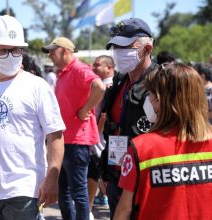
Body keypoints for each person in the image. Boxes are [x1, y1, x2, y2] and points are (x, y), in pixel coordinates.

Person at [0, 15, 65, 220]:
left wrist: (52, 177)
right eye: (3, 51)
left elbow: (55, 135)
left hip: (24, 189)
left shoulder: (37, 86)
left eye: (16, 50)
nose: (11, 55)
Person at [114, 63, 212, 219]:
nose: (148, 99)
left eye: (151, 94)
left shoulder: (141, 148)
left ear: (162, 101)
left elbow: (124, 210)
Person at [100, 18, 159, 219]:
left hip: (148, 183)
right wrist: (105, 172)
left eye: (125, 46)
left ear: (147, 48)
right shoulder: (119, 82)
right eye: (115, 46)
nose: (118, 52)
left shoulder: (162, 84)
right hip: (116, 181)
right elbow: (113, 131)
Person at [42, 37, 106, 220]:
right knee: (64, 193)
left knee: (77, 193)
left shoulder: (79, 69)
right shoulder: (64, 72)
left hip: (77, 141)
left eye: (52, 52)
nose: (50, 56)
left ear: (64, 51)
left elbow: (99, 87)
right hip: (65, 141)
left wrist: (85, 109)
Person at [88, 55, 116, 216]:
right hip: (102, 139)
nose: (94, 67)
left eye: (97, 65)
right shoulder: (103, 85)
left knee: (97, 174)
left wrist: (95, 133)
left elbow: (104, 115)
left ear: (109, 68)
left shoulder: (108, 87)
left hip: (102, 140)